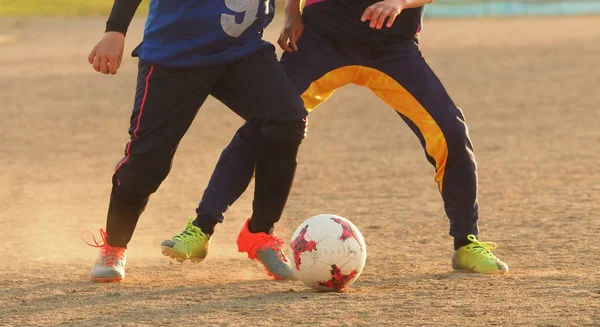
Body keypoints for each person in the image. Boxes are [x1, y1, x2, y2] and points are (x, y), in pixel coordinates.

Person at [162, 0, 510, 274]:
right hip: (322, 41)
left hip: (392, 46)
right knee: (266, 124)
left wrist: (400, 2)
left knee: (450, 131)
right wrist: (292, 13)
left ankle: (466, 243)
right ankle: (201, 229)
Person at [83, 0, 308, 282]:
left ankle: (260, 233)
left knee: (286, 120)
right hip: (175, 53)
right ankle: (114, 246)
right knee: (148, 158)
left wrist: (293, 11)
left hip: (242, 50)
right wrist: (115, 30)